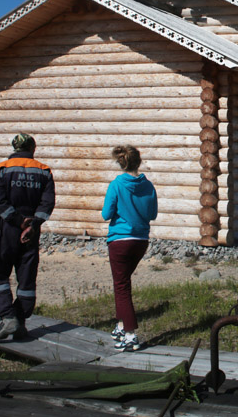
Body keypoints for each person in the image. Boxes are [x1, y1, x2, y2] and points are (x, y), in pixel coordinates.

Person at [0, 133, 55, 341]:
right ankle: (20, 319)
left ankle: (8, 318)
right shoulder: (44, 171)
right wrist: (33, 225)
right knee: (26, 276)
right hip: (32, 232)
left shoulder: (2, 169)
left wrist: (18, 222)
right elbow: (47, 203)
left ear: (14, 148)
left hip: (8, 228)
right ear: (33, 148)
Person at [102, 145, 158, 352]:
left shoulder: (116, 185)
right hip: (141, 240)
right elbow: (152, 214)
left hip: (120, 240)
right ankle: (121, 325)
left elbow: (106, 214)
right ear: (139, 161)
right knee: (123, 282)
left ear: (121, 162)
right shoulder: (149, 186)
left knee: (122, 286)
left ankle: (130, 335)